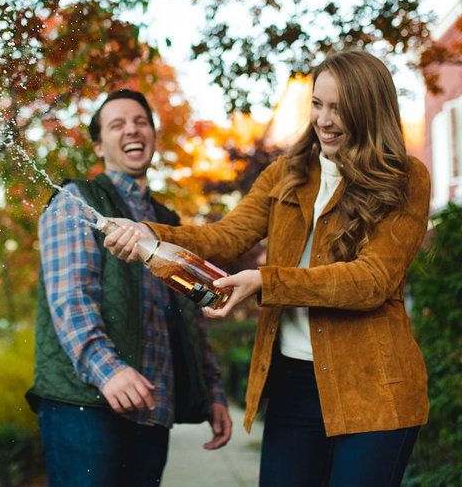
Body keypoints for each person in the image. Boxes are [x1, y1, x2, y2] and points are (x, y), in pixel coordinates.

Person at [104, 51, 431, 487]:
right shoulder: (286, 173)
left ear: (369, 108)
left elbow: (370, 281)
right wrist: (147, 232)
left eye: (339, 107)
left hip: (373, 387)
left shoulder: (405, 178)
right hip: (294, 384)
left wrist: (266, 281)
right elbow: (226, 236)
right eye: (317, 104)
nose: (325, 119)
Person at [27, 88, 233, 487]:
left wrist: (213, 393)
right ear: (98, 145)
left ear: (154, 137)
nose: (131, 130)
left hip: (153, 409)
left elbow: (192, 316)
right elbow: (71, 298)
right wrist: (107, 370)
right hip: (85, 404)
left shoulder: (167, 220)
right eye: (116, 124)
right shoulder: (77, 202)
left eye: (140, 122)